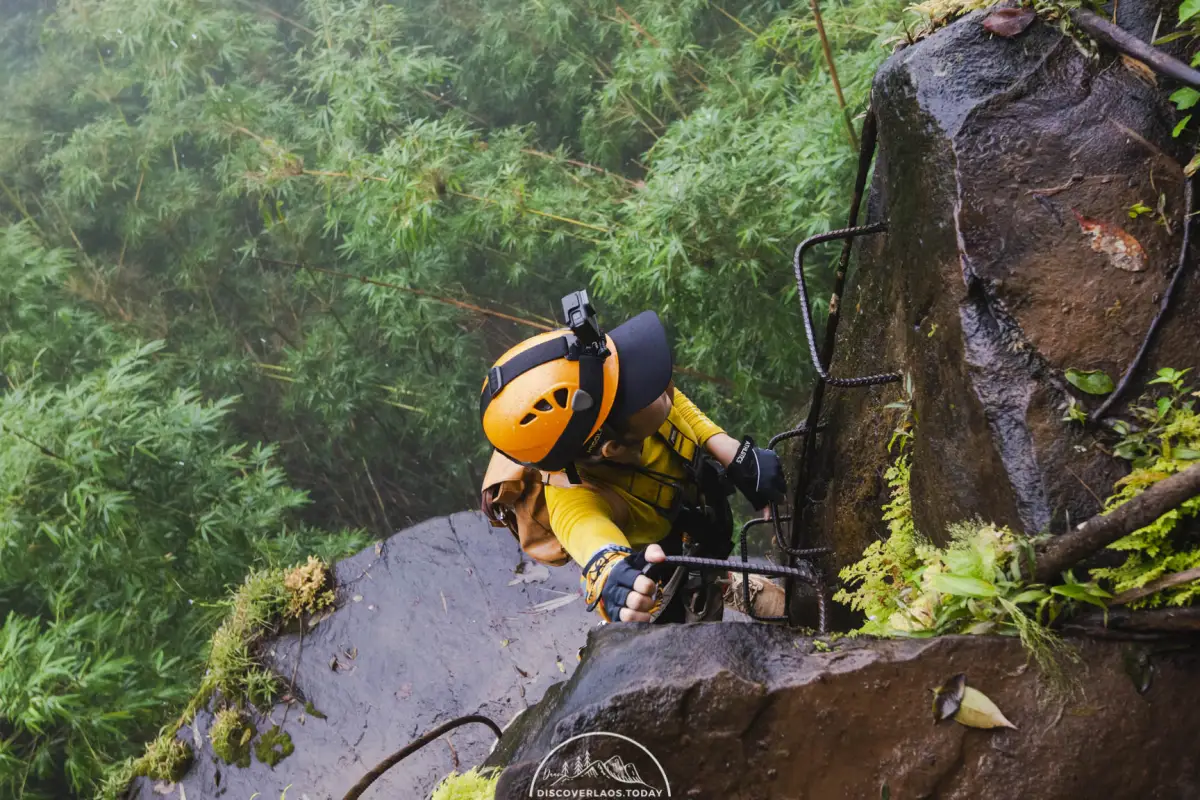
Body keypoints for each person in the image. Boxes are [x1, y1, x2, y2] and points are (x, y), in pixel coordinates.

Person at [479, 291, 786, 623]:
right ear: (610, 448)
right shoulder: (575, 500)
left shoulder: (634, 409)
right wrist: (614, 579)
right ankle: (705, 592)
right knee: (686, 626)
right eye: (641, 388)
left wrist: (728, 449)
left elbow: (674, 404)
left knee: (708, 553)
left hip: (696, 518)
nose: (662, 383)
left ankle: (722, 581)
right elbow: (590, 540)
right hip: (662, 571)